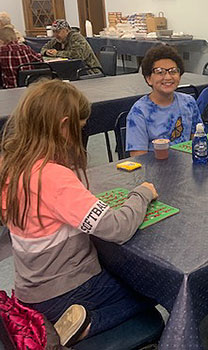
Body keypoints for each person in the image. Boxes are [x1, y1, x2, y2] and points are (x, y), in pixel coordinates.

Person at [0, 80, 160, 347]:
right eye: (80, 128)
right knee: (155, 289)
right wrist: (142, 193)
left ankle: (70, 321)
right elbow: (117, 229)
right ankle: (85, 326)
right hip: (66, 291)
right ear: (64, 125)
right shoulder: (51, 177)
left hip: (30, 289)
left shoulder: (12, 163)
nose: (81, 134)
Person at [126, 45, 202, 156]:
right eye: (160, 72)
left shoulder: (189, 102)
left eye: (173, 71)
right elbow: (139, 158)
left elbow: (198, 140)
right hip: (155, 170)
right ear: (148, 78)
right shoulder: (139, 112)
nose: (167, 77)